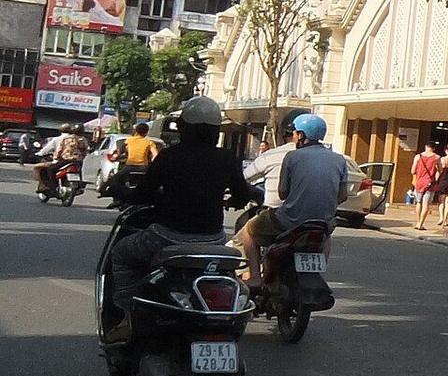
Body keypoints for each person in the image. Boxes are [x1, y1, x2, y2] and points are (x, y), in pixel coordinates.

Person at [106, 97, 258, 341]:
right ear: (214, 130)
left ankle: (126, 317)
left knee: (121, 255)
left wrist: (118, 189)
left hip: (167, 237)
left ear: (185, 128)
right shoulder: (227, 158)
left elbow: (142, 195)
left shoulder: (170, 156)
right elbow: (241, 195)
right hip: (213, 240)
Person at [231, 113, 350, 288]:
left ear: (301, 135)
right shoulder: (339, 160)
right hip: (324, 222)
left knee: (249, 230)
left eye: (294, 133)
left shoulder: (292, 157)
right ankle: (317, 275)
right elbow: (343, 195)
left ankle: (255, 277)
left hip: (290, 221)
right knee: (325, 237)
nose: (293, 136)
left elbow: (283, 193)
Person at [34, 128, 87, 194]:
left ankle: (53, 188)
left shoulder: (66, 139)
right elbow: (85, 151)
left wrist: (56, 157)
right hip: (78, 161)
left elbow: (59, 150)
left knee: (51, 170)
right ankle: (80, 187)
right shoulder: (83, 140)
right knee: (80, 171)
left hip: (66, 160)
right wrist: (80, 157)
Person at [411, 142, 441, 228]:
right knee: (426, 204)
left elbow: (412, 171)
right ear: (434, 148)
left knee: (418, 202)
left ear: (425, 146)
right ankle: (421, 223)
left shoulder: (418, 157)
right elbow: (440, 169)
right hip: (430, 183)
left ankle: (417, 222)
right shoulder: (437, 157)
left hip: (419, 182)